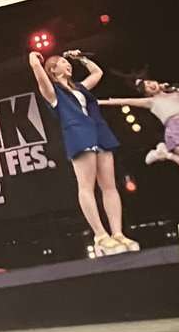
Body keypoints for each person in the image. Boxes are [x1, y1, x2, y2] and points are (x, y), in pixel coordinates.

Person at [28, 49, 139, 255]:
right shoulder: (53, 92)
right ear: (53, 70)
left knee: (109, 186)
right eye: (63, 62)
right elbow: (41, 78)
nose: (67, 65)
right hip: (78, 134)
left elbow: (97, 73)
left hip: (99, 131)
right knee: (87, 186)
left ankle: (117, 233)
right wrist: (34, 62)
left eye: (67, 62)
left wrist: (80, 58)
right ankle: (100, 235)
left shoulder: (79, 88)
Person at [100, 81, 179, 175]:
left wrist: (172, 88)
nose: (150, 85)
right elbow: (125, 101)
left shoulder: (176, 94)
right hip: (175, 131)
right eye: (147, 87)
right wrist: (99, 102)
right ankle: (166, 154)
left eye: (150, 82)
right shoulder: (151, 101)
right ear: (147, 93)